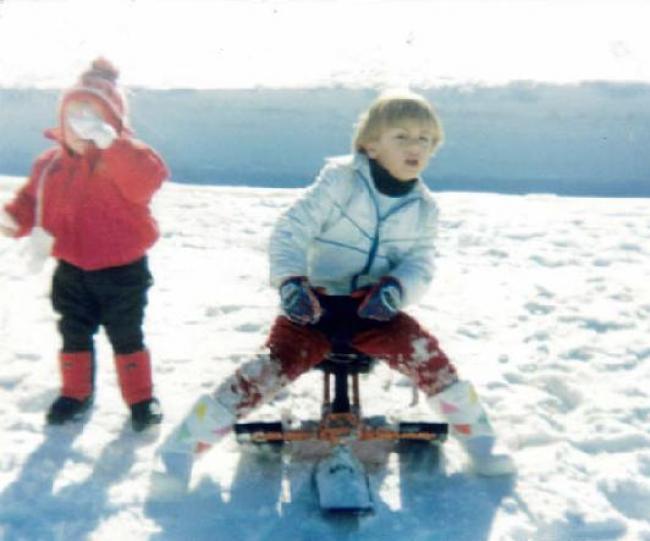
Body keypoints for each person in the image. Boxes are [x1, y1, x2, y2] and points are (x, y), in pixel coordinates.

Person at [157, 89, 515, 487]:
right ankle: (180, 451)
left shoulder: (423, 208)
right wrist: (292, 282)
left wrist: (396, 288)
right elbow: (291, 233)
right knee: (265, 370)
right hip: (316, 305)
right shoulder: (340, 182)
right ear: (371, 146)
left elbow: (421, 262)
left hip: (374, 308)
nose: (415, 146)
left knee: (427, 357)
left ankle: (482, 444)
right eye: (402, 136)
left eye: (425, 139)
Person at [0, 58, 168, 431]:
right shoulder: (50, 165)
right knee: (73, 331)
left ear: (111, 123)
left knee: (126, 335)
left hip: (123, 270)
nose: (79, 126)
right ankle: (75, 393)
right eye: (72, 115)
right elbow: (33, 199)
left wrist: (114, 145)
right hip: (72, 269)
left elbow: (147, 179)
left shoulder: (127, 157)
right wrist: (14, 218)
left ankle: (141, 399)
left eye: (91, 118)